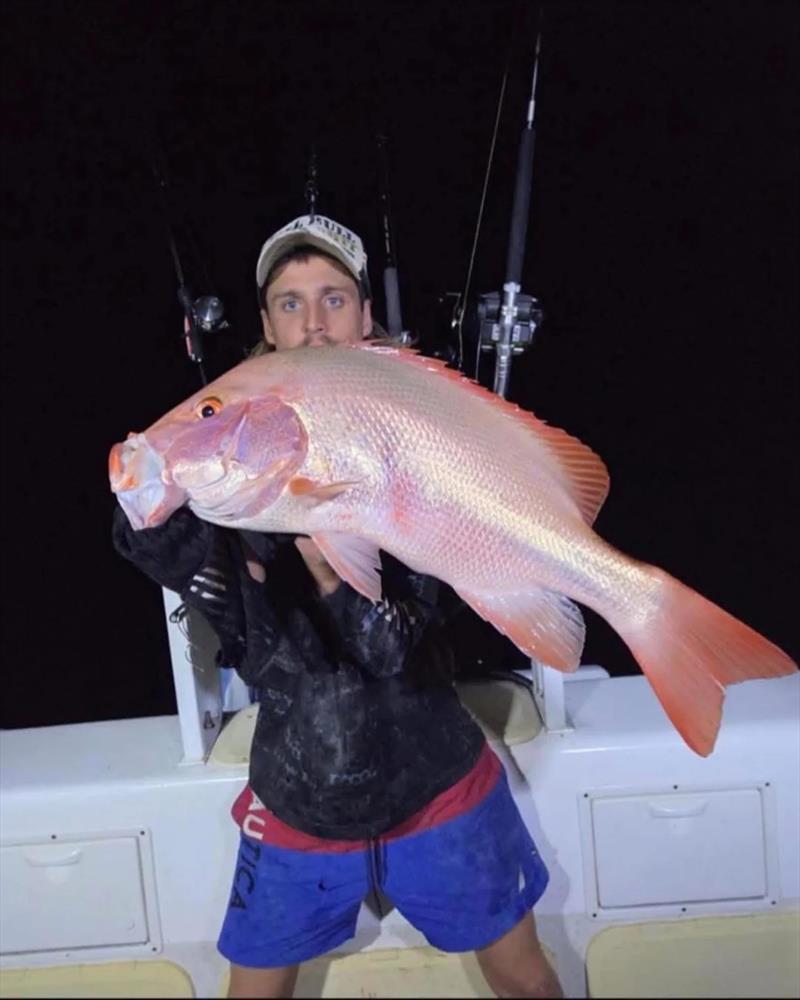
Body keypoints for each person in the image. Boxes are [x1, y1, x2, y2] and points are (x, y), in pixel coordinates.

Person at [112, 213, 563, 999]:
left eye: (334, 298)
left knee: (525, 982)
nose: (314, 323)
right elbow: (188, 572)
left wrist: (328, 569)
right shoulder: (241, 437)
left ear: (364, 315)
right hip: (299, 794)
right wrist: (148, 501)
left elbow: (396, 646)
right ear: (266, 324)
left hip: (436, 779)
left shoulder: (413, 416)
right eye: (290, 303)